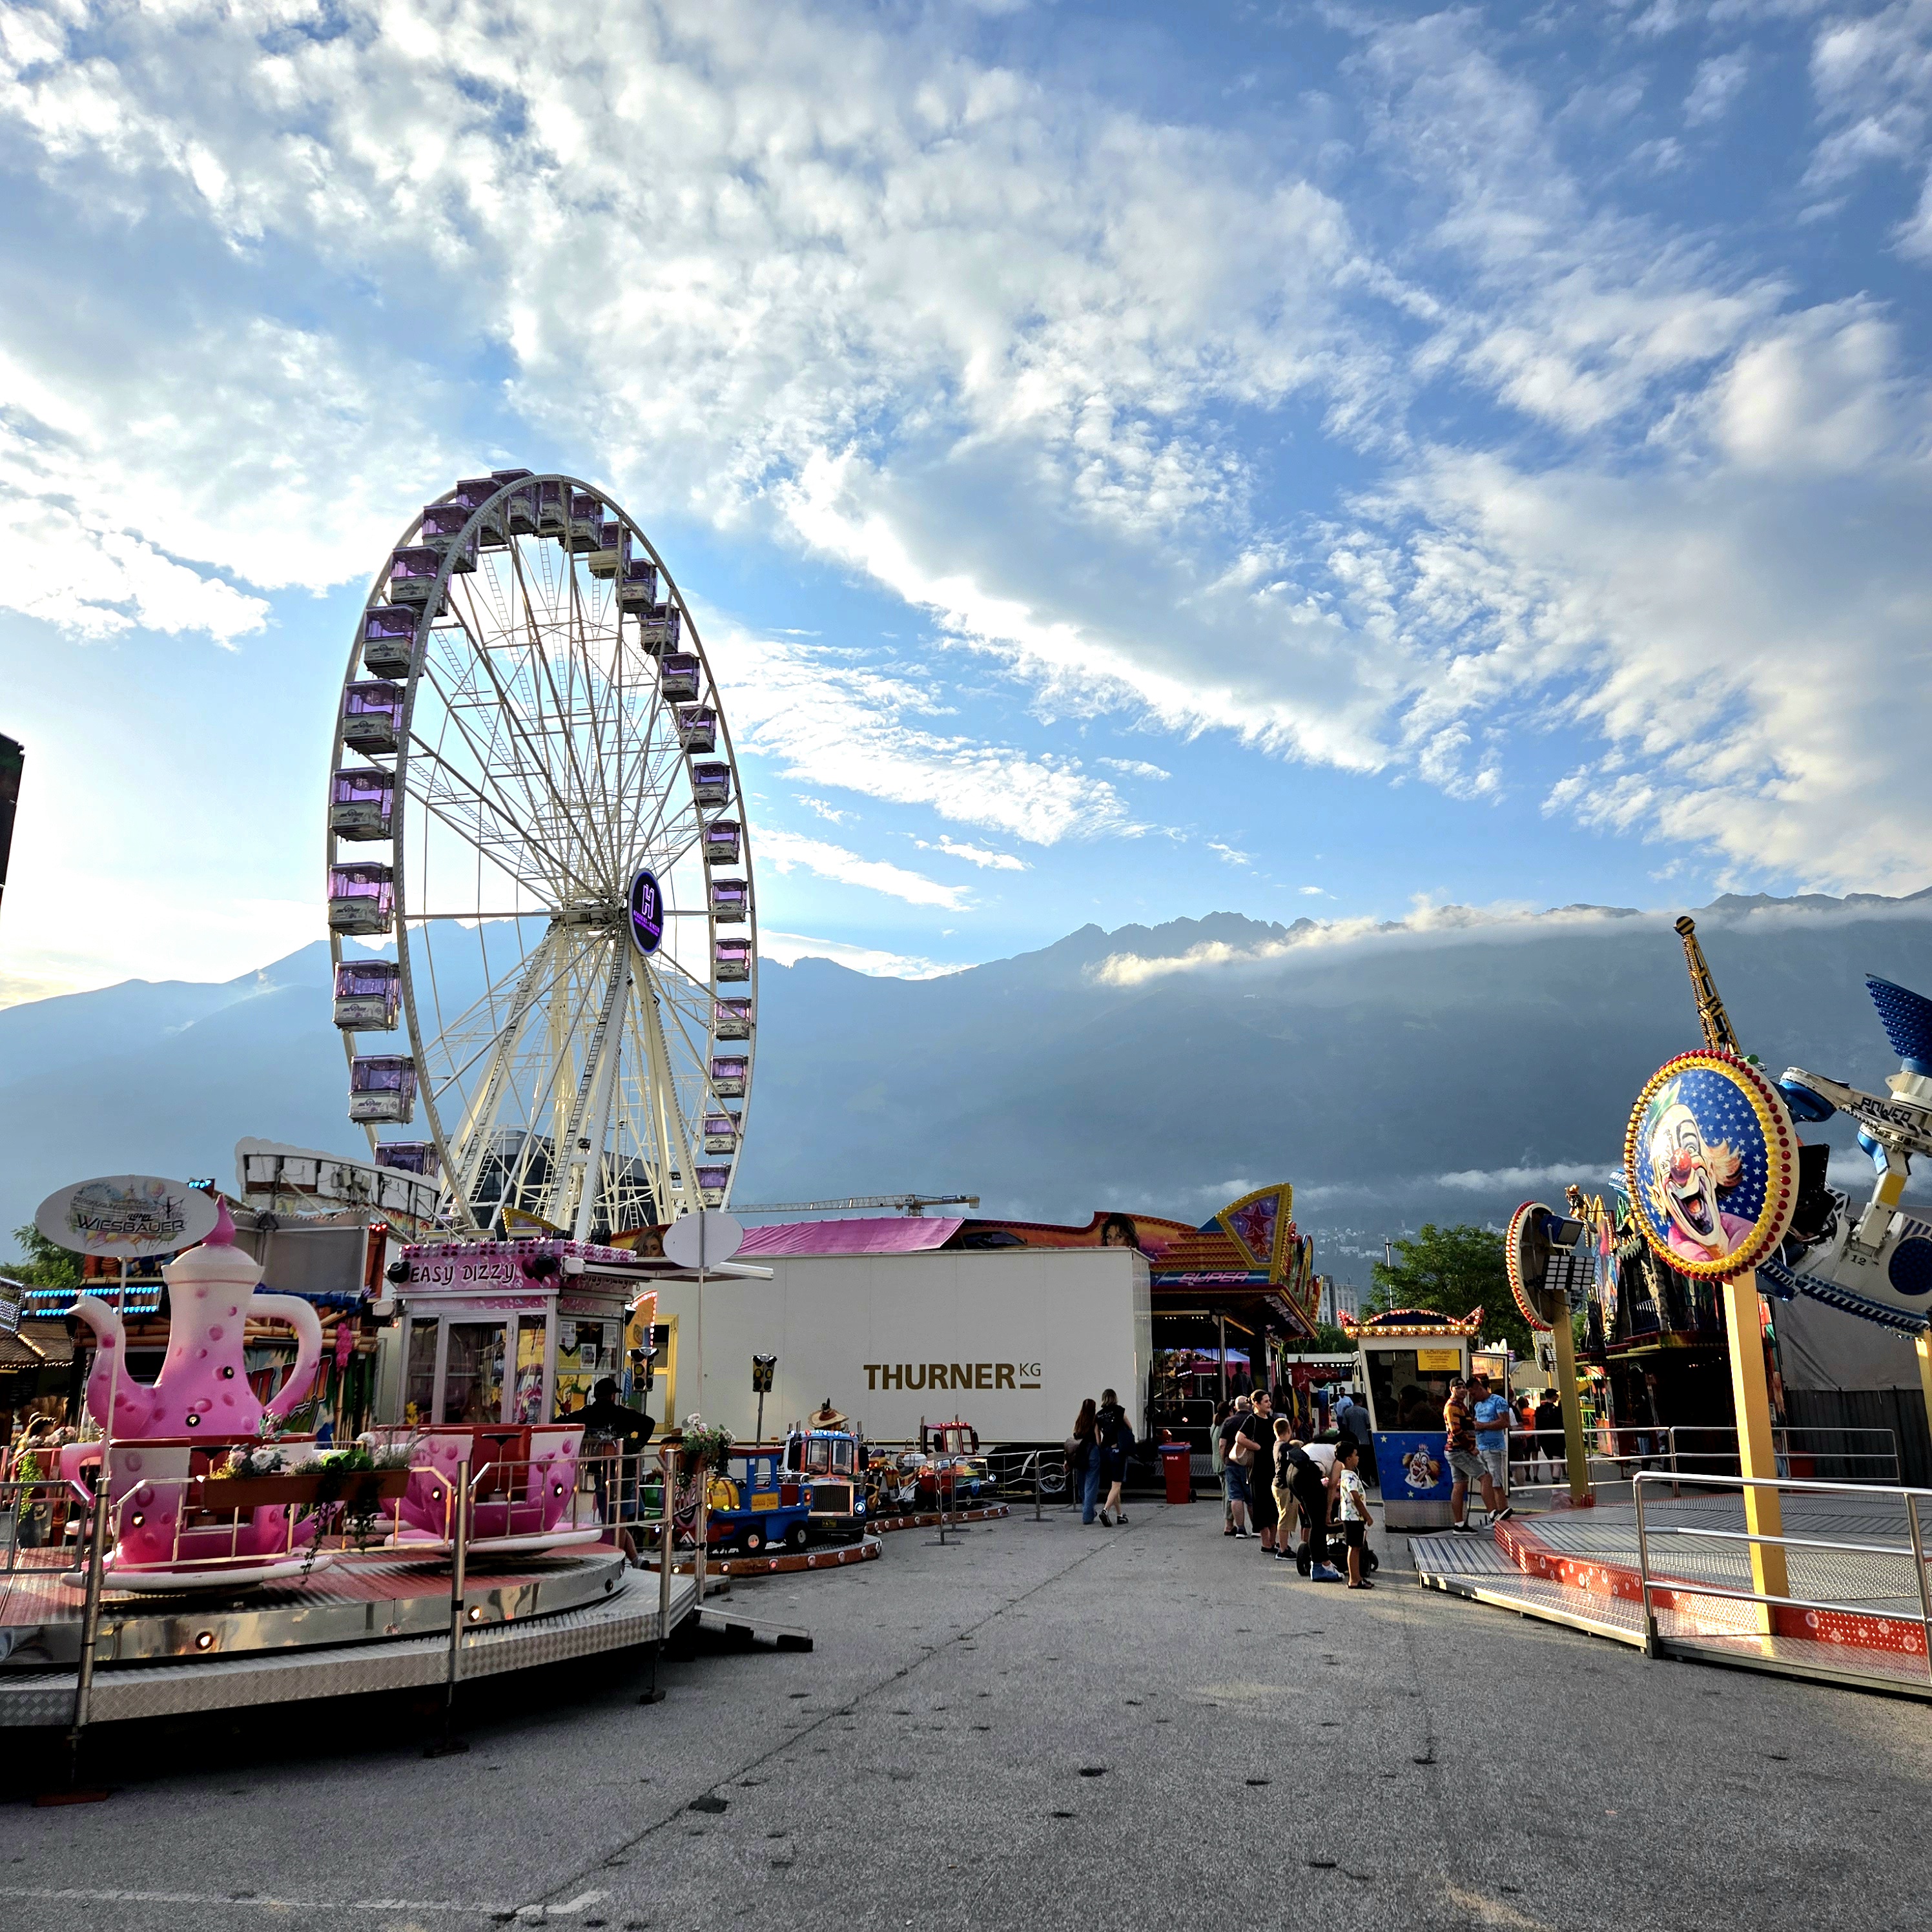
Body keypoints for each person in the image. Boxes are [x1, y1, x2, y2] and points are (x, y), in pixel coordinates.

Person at [1444, 1376, 1497, 1534]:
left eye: (1464, 1388)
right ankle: (1494, 1515)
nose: (1462, 1390)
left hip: (1454, 1451)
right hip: (1459, 1450)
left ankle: (1459, 1525)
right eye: (1458, 1388)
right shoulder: (1453, 1407)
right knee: (1485, 1477)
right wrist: (1471, 1447)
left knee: (1459, 1485)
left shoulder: (1459, 1405)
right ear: (1451, 1390)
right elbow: (1456, 1431)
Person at [1238, 1390, 1280, 1551]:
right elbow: (1240, 1438)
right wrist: (1257, 1447)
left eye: (1269, 1401)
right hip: (1259, 1469)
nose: (1269, 1404)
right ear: (1256, 1403)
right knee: (1262, 1506)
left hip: (1274, 1467)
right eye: (1266, 1401)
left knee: (1274, 1506)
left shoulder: (1273, 1421)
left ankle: (1273, 1541)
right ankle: (1265, 1542)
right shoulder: (1252, 1419)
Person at [1471, 1373, 1515, 1525]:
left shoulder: (1498, 1401)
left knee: (1496, 1481)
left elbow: (1505, 1422)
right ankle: (1494, 1513)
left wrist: (1483, 1426)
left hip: (1494, 1447)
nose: (1473, 1397)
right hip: (1481, 1447)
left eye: (1474, 1394)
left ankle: (1502, 1511)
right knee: (1487, 1481)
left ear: (1480, 1388)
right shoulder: (1477, 1405)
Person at [1333, 1437, 1375, 1588]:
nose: (1358, 1458)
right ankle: (1354, 1579)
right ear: (1349, 1458)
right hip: (1353, 1518)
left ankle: (1357, 1577)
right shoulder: (1350, 1476)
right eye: (1356, 1455)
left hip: (1353, 1517)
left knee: (1356, 1547)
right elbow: (1355, 1498)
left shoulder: (1349, 1474)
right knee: (1354, 1548)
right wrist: (1367, 1516)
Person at [1094, 1387, 1135, 1526]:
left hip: (1106, 1452)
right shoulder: (1119, 1411)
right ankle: (1105, 1511)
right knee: (1117, 1485)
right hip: (1118, 1451)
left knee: (1114, 1486)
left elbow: (1098, 1439)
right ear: (1114, 1398)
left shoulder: (1098, 1416)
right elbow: (1129, 1427)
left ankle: (1120, 1515)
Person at [1218, 1395, 1255, 1538]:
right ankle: (1257, 1528)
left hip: (1232, 1462)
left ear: (1235, 1407)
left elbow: (1222, 1444)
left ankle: (1240, 1529)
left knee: (1235, 1496)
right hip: (1250, 1462)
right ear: (1249, 1406)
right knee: (1251, 1498)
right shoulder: (1253, 1420)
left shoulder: (1229, 1422)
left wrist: (1224, 1459)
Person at [1069, 1398, 1098, 1519]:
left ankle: (1088, 1510)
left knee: (1082, 1483)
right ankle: (1087, 1514)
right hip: (1092, 1452)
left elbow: (1074, 1438)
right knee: (1091, 1485)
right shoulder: (1095, 1420)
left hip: (1080, 1454)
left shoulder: (1079, 1421)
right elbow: (1098, 1440)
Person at [1209, 1398, 1235, 1535]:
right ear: (1229, 1412)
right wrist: (1225, 1460)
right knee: (1229, 1494)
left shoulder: (1214, 1425)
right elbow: (1222, 1445)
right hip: (1224, 1463)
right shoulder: (1226, 1425)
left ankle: (1229, 1523)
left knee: (1225, 1493)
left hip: (1216, 1463)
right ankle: (1229, 1525)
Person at [1534, 1389, 1565, 1483]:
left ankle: (1554, 1479)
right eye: (1556, 1395)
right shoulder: (1557, 1410)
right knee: (1557, 1461)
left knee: (1551, 1460)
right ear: (1553, 1396)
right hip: (1557, 1438)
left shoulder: (1539, 1410)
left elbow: (1536, 1425)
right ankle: (1556, 1481)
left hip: (1544, 1438)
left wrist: (1537, 1440)